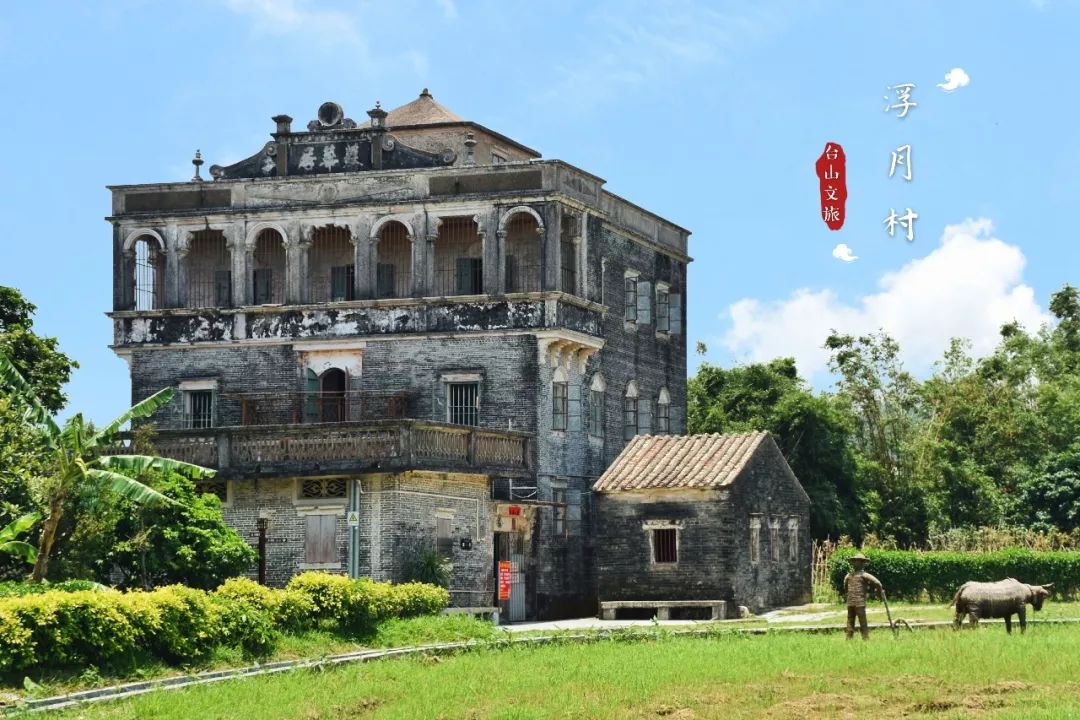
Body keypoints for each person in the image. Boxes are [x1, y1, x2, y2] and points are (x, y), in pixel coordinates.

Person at [843, 552, 883, 640]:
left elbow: (845, 587)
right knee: (862, 622)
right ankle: (865, 638)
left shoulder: (848, 576)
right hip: (859, 603)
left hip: (850, 602)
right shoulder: (864, 575)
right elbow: (878, 583)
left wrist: (848, 595)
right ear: (863, 564)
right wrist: (879, 594)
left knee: (850, 621)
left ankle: (849, 638)